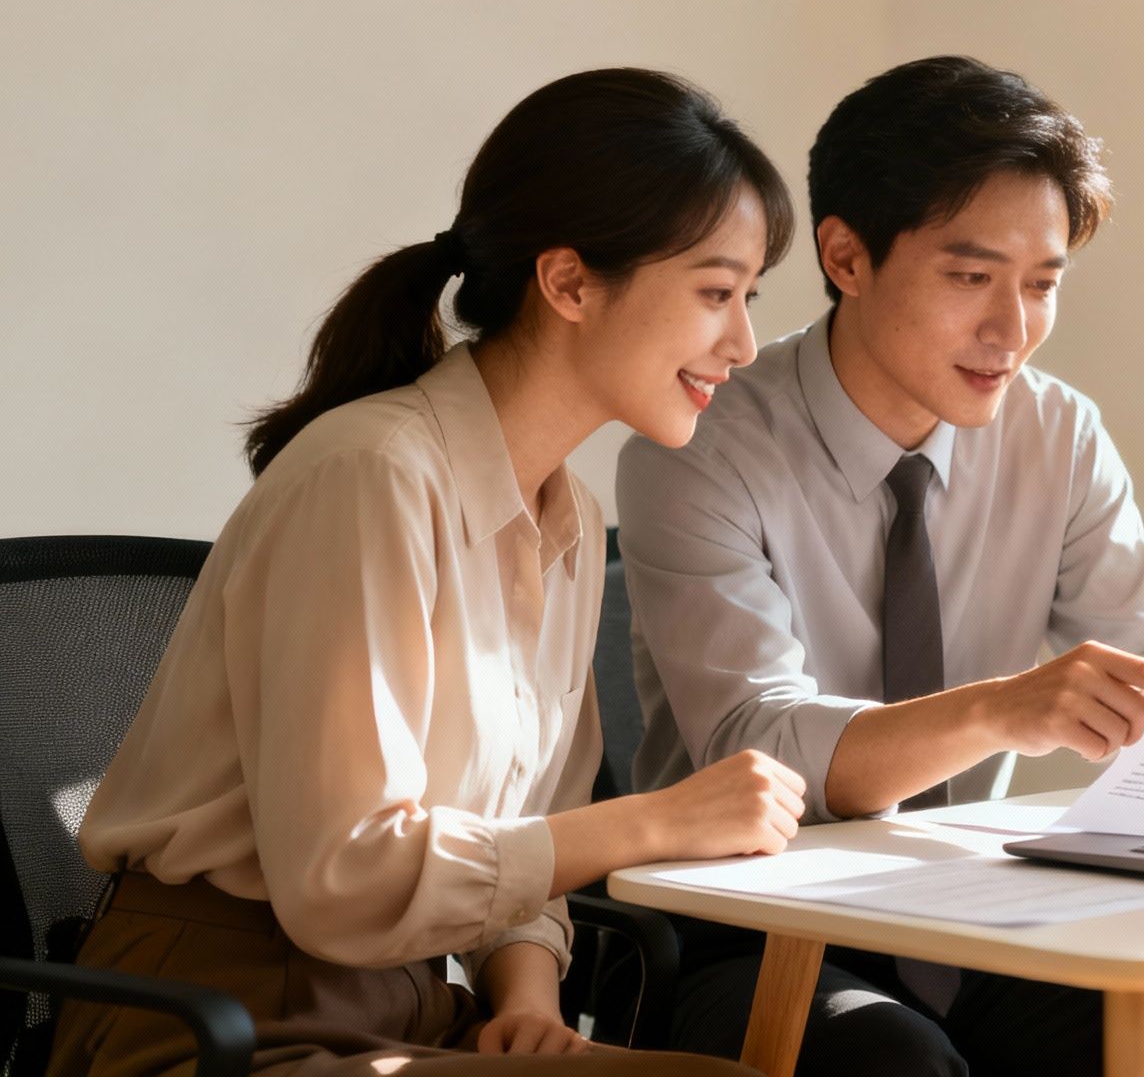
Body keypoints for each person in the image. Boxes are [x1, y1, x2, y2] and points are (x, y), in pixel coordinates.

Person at [53, 68, 808, 1077]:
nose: (743, 343)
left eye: (747, 299)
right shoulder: (371, 476)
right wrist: (656, 820)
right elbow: (343, 877)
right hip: (211, 1023)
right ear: (569, 281)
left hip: (408, 1011)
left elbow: (522, 844)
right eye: (715, 293)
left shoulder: (568, 519)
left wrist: (528, 995)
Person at [617, 56, 1144, 1076]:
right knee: (892, 1062)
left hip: (972, 913)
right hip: (748, 926)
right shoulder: (699, 446)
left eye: (1041, 285)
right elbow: (761, 745)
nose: (1011, 333)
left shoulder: (1056, 433)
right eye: (969, 278)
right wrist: (1005, 709)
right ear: (845, 255)